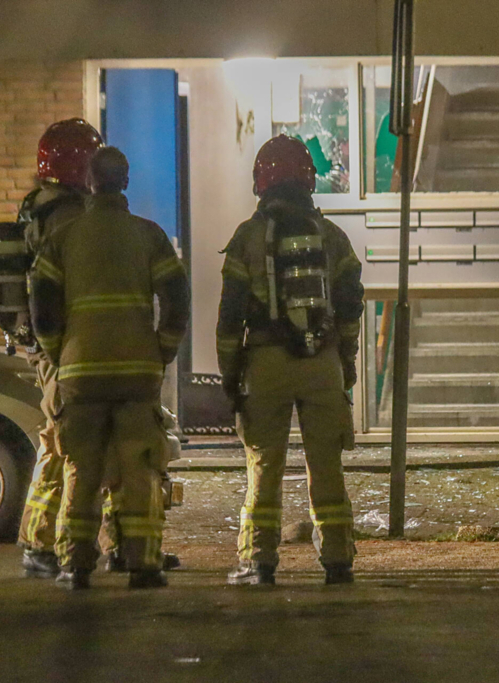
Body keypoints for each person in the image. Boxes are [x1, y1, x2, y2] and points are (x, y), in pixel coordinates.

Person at [13, 120, 180, 579]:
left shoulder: (54, 226)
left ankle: (73, 562)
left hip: (75, 366)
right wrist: (162, 350)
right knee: (138, 464)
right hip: (134, 369)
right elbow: (177, 299)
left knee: (77, 465)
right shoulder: (144, 233)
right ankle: (137, 556)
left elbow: (41, 303)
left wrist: (58, 352)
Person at [217, 134, 364, 586]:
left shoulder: (247, 237)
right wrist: (346, 357)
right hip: (322, 364)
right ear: (308, 180)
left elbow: (230, 315)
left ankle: (259, 562)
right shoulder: (333, 238)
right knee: (326, 464)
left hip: (265, 364)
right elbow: (351, 302)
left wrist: (230, 376)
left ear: (261, 181)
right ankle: (338, 560)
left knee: (264, 465)